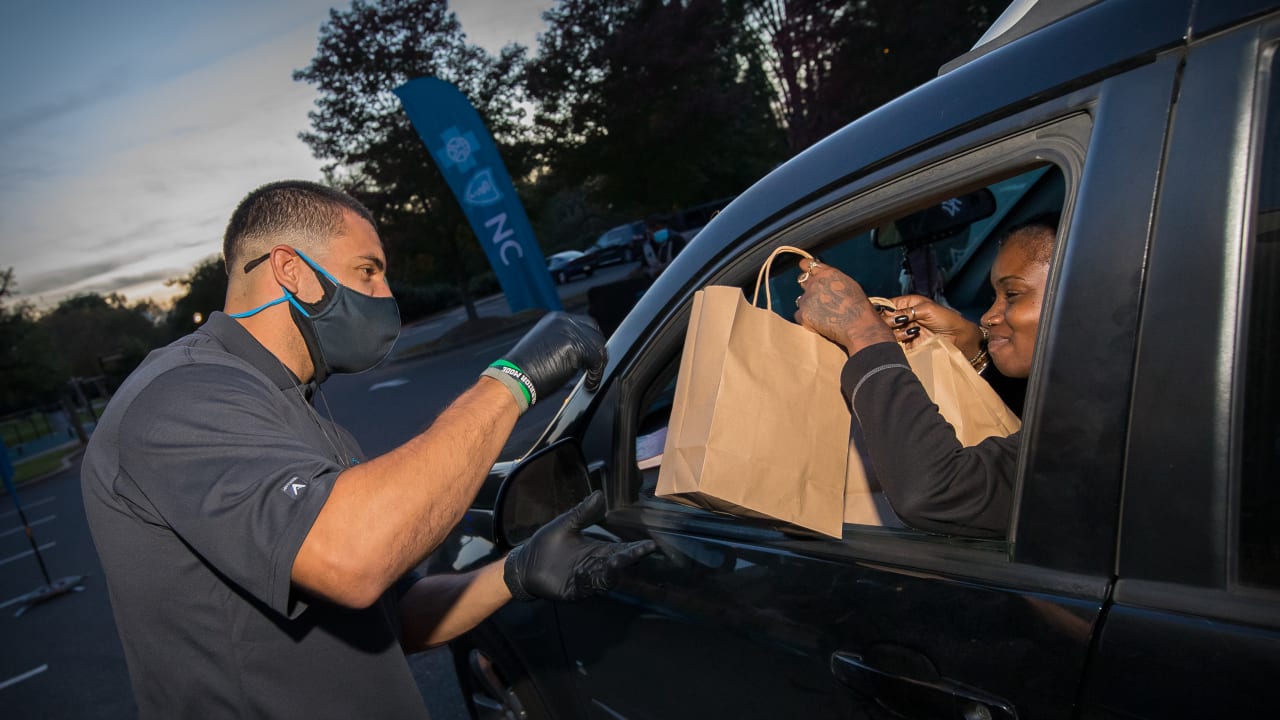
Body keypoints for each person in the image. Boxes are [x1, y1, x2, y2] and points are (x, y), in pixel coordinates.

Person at [81, 180, 656, 719]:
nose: (385, 295)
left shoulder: (300, 411)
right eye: (367, 271)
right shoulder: (181, 396)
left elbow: (391, 616)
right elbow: (353, 558)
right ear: (290, 270)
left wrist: (517, 572)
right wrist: (511, 382)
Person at [794, 214, 1058, 538]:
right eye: (993, 297)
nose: (989, 316)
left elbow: (938, 492)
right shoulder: (1109, 395)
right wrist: (971, 349)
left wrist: (863, 333)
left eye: (1012, 295)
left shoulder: (1100, 428)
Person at [641, 214, 678, 279]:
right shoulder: (647, 247)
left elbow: (679, 260)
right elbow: (644, 266)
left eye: (662, 227)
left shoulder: (675, 239)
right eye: (656, 228)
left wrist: (661, 269)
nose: (660, 231)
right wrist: (650, 271)